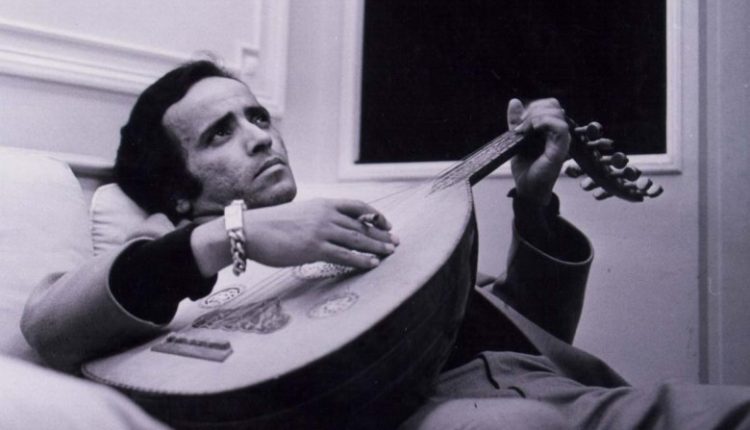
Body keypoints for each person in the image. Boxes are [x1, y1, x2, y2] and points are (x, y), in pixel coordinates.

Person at [20, 61, 750, 429]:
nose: (260, 136)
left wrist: (534, 203)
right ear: (179, 191)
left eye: (257, 115)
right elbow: (50, 324)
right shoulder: (166, 252)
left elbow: (527, 330)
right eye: (220, 133)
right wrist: (235, 233)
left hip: (577, 395)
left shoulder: (351, 224)